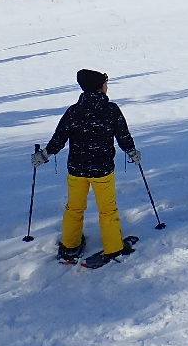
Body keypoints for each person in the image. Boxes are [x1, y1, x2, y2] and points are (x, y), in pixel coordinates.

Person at [31, 69, 139, 263]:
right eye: (105, 83)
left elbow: (59, 138)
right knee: (107, 211)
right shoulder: (111, 110)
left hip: (77, 170)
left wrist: (44, 155)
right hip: (103, 171)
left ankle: (70, 246)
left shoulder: (74, 111)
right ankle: (114, 248)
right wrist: (132, 152)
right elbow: (123, 136)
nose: (107, 86)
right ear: (100, 87)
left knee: (74, 208)